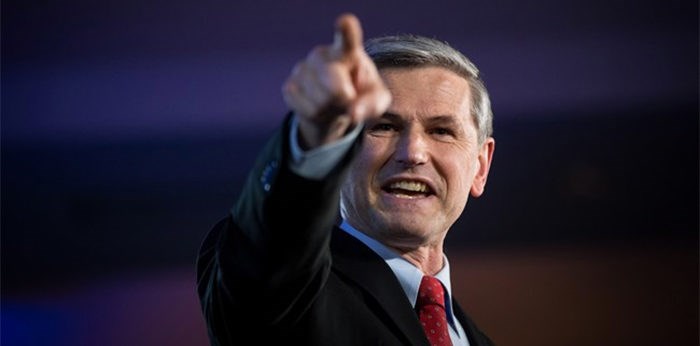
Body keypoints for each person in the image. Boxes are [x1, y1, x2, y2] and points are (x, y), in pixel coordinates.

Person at [197, 12, 496, 346]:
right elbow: (267, 262)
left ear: (480, 166)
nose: (412, 153)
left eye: (441, 131)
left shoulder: (476, 340)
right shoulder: (294, 294)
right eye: (383, 126)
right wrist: (314, 136)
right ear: (342, 153)